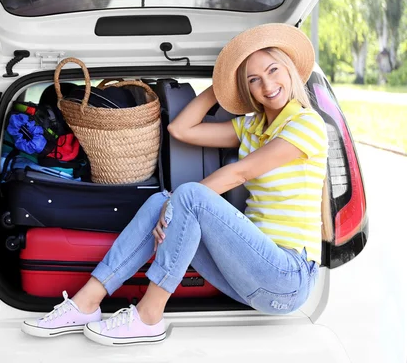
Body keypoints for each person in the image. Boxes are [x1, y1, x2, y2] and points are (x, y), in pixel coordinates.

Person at [20, 23, 330, 346]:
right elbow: (181, 129)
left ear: (290, 69)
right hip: (249, 274)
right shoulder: (253, 127)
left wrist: (180, 202)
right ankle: (86, 303)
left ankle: (149, 316)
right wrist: (221, 88)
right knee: (159, 201)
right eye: (254, 80)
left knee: (188, 197)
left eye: (272, 70)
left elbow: (241, 173)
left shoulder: (306, 124)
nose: (267, 85)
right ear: (247, 88)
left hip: (287, 277)